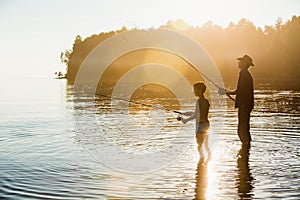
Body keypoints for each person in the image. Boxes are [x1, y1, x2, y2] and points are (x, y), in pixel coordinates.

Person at [226, 55, 254, 145]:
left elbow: (239, 91)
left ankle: (245, 146)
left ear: (245, 63)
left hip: (244, 105)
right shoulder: (246, 74)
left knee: (241, 129)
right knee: (245, 127)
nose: (238, 63)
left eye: (241, 61)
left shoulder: (243, 73)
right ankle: (246, 148)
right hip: (247, 105)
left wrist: (226, 92)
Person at [178, 82, 210, 157]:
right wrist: (184, 113)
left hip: (200, 126)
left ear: (200, 90)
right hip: (206, 124)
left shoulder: (199, 102)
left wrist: (185, 120)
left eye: (195, 90)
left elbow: (195, 115)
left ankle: (201, 163)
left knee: (199, 146)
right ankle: (208, 160)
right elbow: (197, 113)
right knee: (206, 146)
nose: (194, 91)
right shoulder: (205, 101)